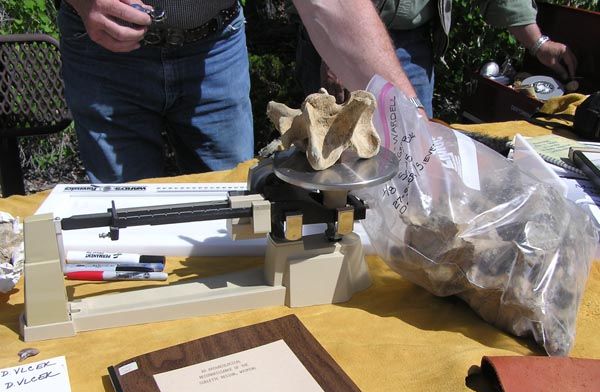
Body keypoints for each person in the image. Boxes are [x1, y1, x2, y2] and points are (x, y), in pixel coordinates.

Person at [57, 0, 421, 183]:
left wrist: (415, 127)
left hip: (214, 46)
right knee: (122, 220)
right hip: (102, 52)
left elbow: (334, 6)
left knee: (235, 207)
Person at [295, 0, 578, 117]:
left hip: (412, 43)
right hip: (339, 37)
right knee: (341, 155)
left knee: (415, 153)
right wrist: (336, 56)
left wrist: (539, 43)